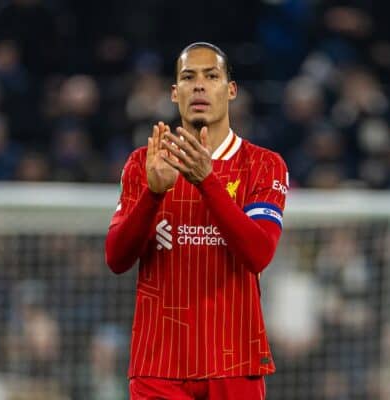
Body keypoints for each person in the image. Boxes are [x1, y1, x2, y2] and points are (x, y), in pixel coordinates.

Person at [105, 42, 289, 400]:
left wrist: (207, 181)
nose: (200, 85)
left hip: (235, 362)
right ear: (175, 93)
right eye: (189, 77)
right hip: (158, 365)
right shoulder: (145, 162)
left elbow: (258, 253)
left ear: (230, 90)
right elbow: (116, 258)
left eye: (212, 76)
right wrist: (153, 194)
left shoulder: (264, 165)